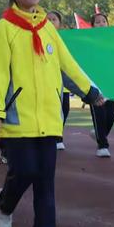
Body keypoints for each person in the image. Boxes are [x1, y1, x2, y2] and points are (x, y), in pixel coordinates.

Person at [0, 0, 103, 227]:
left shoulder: (48, 28)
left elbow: (67, 65)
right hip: (17, 118)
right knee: (24, 171)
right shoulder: (4, 29)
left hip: (49, 118)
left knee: (45, 178)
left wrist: (90, 91)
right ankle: (4, 203)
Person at [88, 12, 114, 157]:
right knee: (99, 114)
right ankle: (102, 146)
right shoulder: (88, 41)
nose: (101, 24)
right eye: (97, 22)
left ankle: (100, 134)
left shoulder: (112, 41)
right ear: (92, 26)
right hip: (93, 86)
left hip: (110, 84)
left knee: (112, 115)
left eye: (103, 21)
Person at [47, 10, 70, 151]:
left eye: (54, 19)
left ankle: (58, 134)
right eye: (47, 19)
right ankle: (56, 138)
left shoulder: (66, 39)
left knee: (64, 110)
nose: (50, 22)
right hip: (48, 82)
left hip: (65, 84)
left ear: (59, 24)